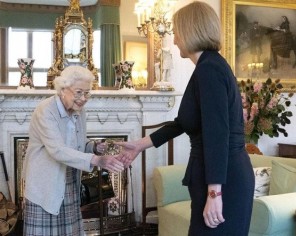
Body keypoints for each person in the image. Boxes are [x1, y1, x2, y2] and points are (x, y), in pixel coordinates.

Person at [117, 2, 255, 235]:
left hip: (225, 180)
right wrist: (139, 145)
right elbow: (184, 122)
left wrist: (215, 193)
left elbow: (217, 135)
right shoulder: (208, 66)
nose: (175, 38)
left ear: (191, 30)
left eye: (176, 31)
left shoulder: (209, 69)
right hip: (220, 176)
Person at [22, 65, 125, 236]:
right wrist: (96, 160)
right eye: (78, 92)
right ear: (63, 89)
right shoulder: (45, 110)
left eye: (87, 93)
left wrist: (93, 146)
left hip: (69, 181)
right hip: (46, 184)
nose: (83, 98)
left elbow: (77, 143)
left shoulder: (79, 111)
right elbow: (57, 149)